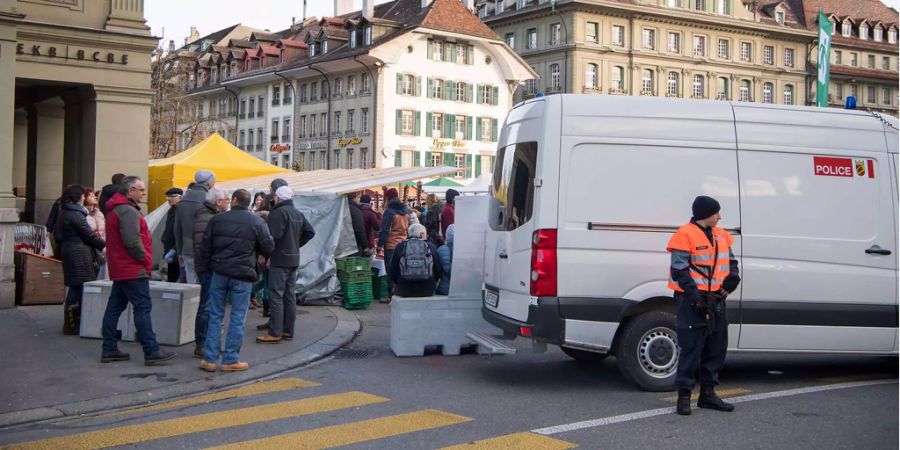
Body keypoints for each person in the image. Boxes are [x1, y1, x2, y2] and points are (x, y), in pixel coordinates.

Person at [667, 196, 741, 416]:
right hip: (692, 302)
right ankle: (684, 397)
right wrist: (696, 298)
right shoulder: (685, 234)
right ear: (706, 214)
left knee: (716, 348)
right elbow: (679, 270)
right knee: (691, 348)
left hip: (716, 300)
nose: (720, 216)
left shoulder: (721, 235)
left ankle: (708, 395)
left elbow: (732, 265)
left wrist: (728, 285)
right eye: (716, 212)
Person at [101, 176, 175, 365]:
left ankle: (109, 349)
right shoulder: (128, 211)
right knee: (142, 308)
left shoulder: (116, 209)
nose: (144, 193)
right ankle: (151, 350)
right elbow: (132, 242)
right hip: (132, 268)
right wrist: (146, 260)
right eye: (141, 190)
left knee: (114, 308)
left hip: (121, 267)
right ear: (130, 190)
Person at [198, 189, 274, 371]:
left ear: (234, 200)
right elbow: (269, 246)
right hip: (243, 273)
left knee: (215, 315)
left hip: (219, 271)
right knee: (238, 317)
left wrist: (206, 269)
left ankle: (209, 359)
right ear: (248, 203)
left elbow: (205, 247)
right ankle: (230, 359)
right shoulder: (256, 221)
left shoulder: (217, 219)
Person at [257, 186, 315, 344]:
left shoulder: (278, 213)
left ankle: (275, 332)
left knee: (276, 296)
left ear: (278, 197)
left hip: (279, 259)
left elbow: (272, 237)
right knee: (289, 296)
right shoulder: (297, 212)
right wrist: (295, 245)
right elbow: (310, 232)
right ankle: (288, 330)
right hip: (293, 258)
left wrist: (266, 255)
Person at [55, 184, 105, 335]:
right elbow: (88, 235)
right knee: (78, 286)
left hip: (72, 251)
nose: (84, 197)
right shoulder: (75, 213)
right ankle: (73, 323)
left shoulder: (66, 211)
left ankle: (72, 322)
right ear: (78, 197)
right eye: (83, 195)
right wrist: (104, 245)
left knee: (76, 285)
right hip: (78, 253)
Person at [190, 187, 229, 358]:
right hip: (209, 268)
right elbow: (201, 247)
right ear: (218, 202)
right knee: (206, 306)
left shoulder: (210, 216)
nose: (228, 202)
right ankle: (201, 343)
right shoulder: (207, 218)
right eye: (226, 199)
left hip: (211, 267)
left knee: (211, 306)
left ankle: (207, 342)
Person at [175, 170, 215, 284]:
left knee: (191, 285)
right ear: (209, 182)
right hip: (206, 250)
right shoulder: (209, 199)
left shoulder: (183, 200)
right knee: (206, 286)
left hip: (187, 248)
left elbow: (177, 230)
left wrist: (179, 252)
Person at [389, 224, 443, 298]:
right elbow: (438, 270)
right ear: (422, 234)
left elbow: (392, 271)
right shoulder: (431, 247)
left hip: (404, 290)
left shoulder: (400, 247)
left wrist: (399, 282)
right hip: (427, 290)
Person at [377, 188, 410, 299]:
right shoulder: (405, 211)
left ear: (388, 198)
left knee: (391, 270)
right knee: (401, 269)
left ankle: (392, 295)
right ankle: (401, 292)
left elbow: (385, 229)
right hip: (404, 244)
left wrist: (380, 245)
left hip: (391, 245)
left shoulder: (389, 211)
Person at [160, 187, 183, 282]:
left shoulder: (180, 210)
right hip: (169, 247)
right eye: (168, 197)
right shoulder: (171, 210)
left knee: (176, 275)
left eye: (172, 196)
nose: (169, 199)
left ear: (180, 197)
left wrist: (174, 248)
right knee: (171, 275)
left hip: (176, 249)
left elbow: (180, 231)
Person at [84, 188, 107, 279]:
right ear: (84, 198)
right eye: (91, 195)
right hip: (91, 249)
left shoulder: (99, 213)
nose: (95, 197)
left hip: (102, 249)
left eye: (94, 195)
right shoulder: (83, 214)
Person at [347, 192, 370, 256]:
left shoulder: (341, 208)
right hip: (354, 245)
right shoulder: (356, 211)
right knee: (356, 265)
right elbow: (359, 230)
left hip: (340, 246)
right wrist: (365, 246)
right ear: (355, 197)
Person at [436, 224, 454, 295]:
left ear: (447, 235)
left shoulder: (441, 249)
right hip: (460, 290)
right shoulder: (463, 251)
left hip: (444, 289)